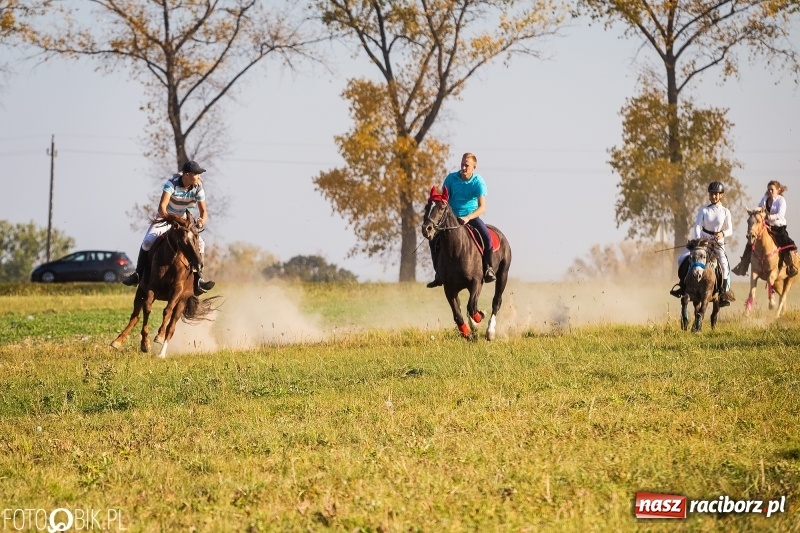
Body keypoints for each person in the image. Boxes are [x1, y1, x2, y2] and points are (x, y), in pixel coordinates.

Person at [122, 160, 216, 295]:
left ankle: (199, 279)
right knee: (147, 241)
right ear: (187, 175)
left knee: (201, 243)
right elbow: (162, 207)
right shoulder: (171, 184)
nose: (199, 177)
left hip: (184, 222)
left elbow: (204, 211)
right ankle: (138, 274)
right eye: (197, 174)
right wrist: (170, 220)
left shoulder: (198, 187)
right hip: (165, 218)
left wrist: (202, 220)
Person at [427, 152, 495, 288]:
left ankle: (488, 268)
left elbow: (482, 207)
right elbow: (444, 200)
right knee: (433, 240)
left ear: (474, 167)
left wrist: (468, 217)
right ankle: (438, 273)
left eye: (467, 165)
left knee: (487, 237)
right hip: (451, 219)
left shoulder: (478, 182)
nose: (463, 167)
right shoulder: (451, 179)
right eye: (462, 164)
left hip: (471, 218)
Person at [669, 181, 734, 307]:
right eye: (711, 194)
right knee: (682, 258)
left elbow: (730, 229)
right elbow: (698, 226)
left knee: (725, 265)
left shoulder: (726, 212)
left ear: (721, 195)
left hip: (718, 244)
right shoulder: (704, 210)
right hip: (703, 242)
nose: (713, 196)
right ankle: (682, 286)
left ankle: (723, 293)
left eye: (715, 194)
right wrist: (699, 240)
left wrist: (722, 234)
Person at [731, 180, 798, 277]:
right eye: (769, 189)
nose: (770, 191)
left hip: (778, 228)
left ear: (778, 190)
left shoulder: (781, 200)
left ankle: (790, 266)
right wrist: (754, 212)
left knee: (786, 243)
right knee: (751, 241)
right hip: (766, 226)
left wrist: (767, 216)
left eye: (772, 189)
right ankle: (743, 265)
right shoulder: (765, 198)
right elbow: (759, 208)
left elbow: (780, 215)